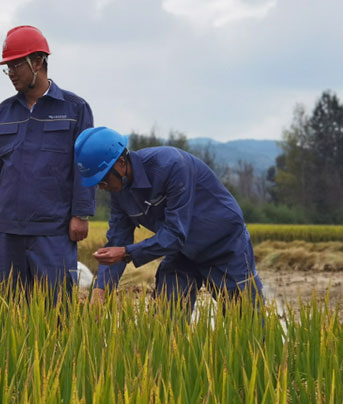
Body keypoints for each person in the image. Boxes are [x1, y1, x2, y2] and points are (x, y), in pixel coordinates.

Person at [74, 126, 263, 310]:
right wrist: (101, 290)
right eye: (97, 183)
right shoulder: (119, 191)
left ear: (121, 163)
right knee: (168, 311)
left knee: (245, 317)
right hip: (182, 251)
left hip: (223, 245)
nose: (101, 187)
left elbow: (174, 233)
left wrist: (126, 253)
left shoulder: (171, 165)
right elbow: (117, 239)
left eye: (103, 180)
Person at [0, 25, 95, 298]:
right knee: (10, 306)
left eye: (16, 65)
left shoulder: (75, 108)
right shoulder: (4, 112)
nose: (11, 74)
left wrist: (81, 214)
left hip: (53, 229)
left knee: (56, 308)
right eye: (7, 67)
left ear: (38, 62)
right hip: (9, 229)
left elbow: (84, 165)